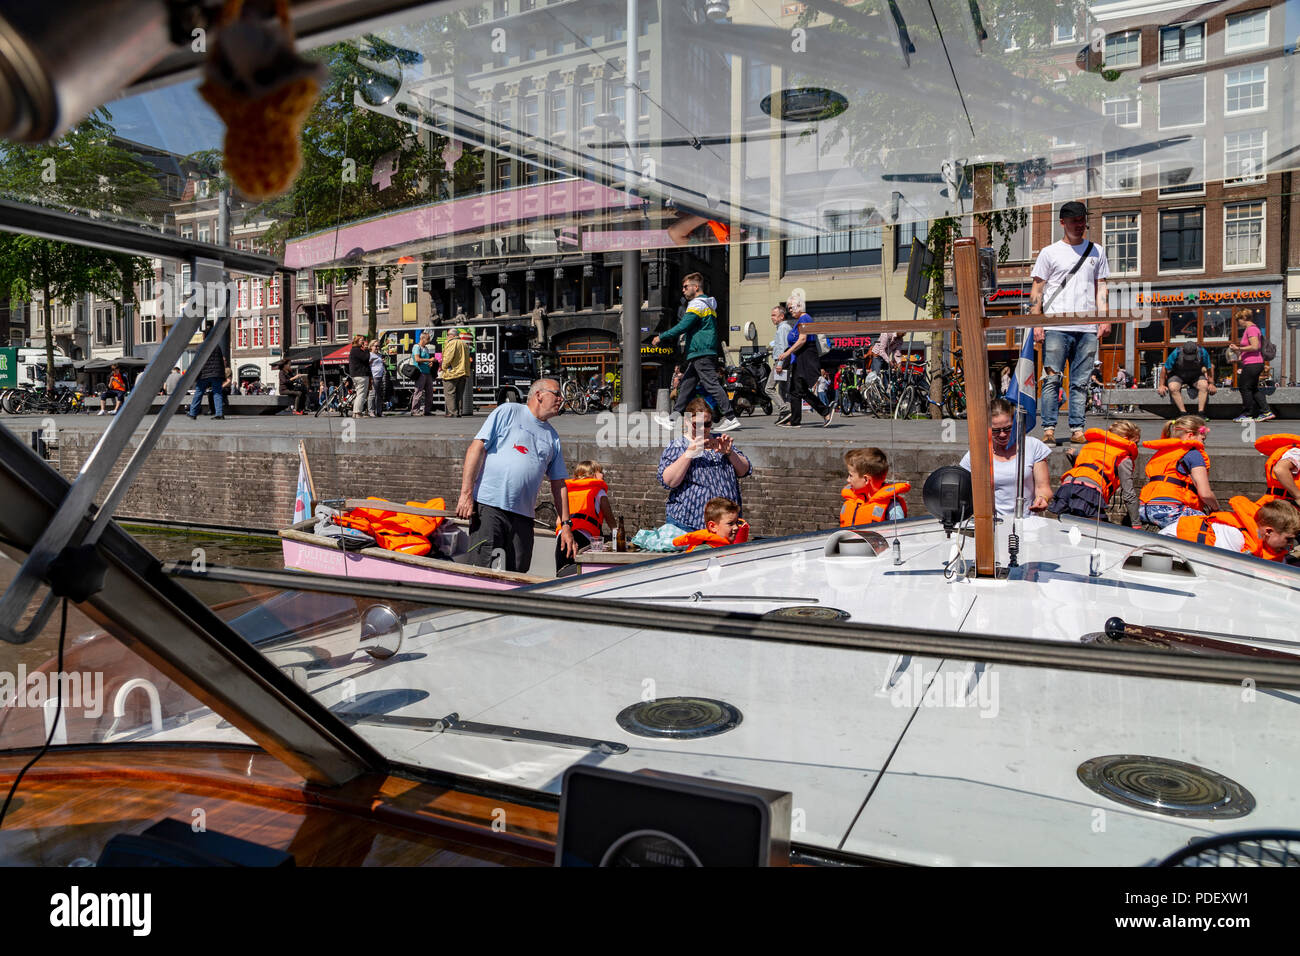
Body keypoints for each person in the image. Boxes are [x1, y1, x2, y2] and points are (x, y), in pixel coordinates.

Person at [455, 379, 576, 572]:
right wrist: (466, 494)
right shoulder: (509, 412)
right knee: (482, 567)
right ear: (539, 395)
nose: (561, 399)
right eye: (556, 394)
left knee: (518, 571)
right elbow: (476, 449)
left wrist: (566, 524)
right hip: (490, 507)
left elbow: (559, 484)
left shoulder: (552, 436)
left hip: (523, 515)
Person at [1030, 201, 1111, 445]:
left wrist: (1104, 318)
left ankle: (1077, 428)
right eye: (1075, 220)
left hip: (1086, 328)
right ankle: (1049, 428)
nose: (1080, 224)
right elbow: (1038, 287)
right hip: (1055, 327)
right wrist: (1037, 322)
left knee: (1081, 382)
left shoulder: (1097, 250)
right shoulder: (1049, 252)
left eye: (1082, 220)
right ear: (1062, 223)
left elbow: (1102, 285)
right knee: (1051, 379)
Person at [652, 273, 740, 432]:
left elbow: (683, 326)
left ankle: (731, 417)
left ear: (696, 287)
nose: (683, 291)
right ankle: (673, 418)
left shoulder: (696, 304)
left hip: (701, 351)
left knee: (711, 384)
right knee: (686, 385)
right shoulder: (708, 304)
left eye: (686, 287)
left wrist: (661, 337)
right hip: (701, 351)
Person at [657, 397, 752, 532]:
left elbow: (744, 470)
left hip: (725, 525)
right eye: (697, 424)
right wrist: (689, 453)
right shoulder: (678, 446)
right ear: (687, 421)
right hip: (689, 523)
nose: (703, 429)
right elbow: (668, 481)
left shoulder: (719, 440)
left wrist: (730, 453)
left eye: (707, 424)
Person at [959, 398, 1052, 515]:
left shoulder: (1033, 446)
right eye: (996, 430)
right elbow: (961, 490)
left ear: (1015, 423)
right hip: (993, 523)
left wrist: (1042, 498)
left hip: (1027, 520)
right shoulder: (977, 454)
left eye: (1008, 428)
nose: (1002, 434)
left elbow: (1043, 486)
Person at [1047, 421, 1141, 524]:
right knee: (1093, 531)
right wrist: (1136, 524)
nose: (1136, 447)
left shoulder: (1090, 446)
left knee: (1068, 527)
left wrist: (1074, 453)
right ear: (1126, 440)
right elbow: (1129, 494)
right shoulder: (1123, 458)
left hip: (1066, 486)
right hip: (1089, 491)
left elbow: (1079, 455)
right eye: (1135, 443)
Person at [1138, 415, 1219, 529]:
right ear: (1190, 435)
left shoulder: (1162, 453)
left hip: (1143, 509)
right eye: (1203, 439)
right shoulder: (1193, 454)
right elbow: (1205, 493)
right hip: (1170, 509)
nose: (1203, 443)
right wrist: (1216, 509)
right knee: (1215, 528)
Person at [1162, 497, 1299, 561]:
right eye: (1288, 539)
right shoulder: (1236, 536)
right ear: (1268, 531)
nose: (1291, 545)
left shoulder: (1258, 538)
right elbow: (1222, 569)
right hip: (1168, 545)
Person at [775, 287, 834, 428]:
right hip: (798, 359)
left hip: (805, 358)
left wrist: (786, 354)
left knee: (799, 390)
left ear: (799, 306)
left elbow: (802, 340)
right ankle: (797, 420)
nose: (790, 310)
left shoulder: (805, 318)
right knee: (795, 391)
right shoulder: (799, 321)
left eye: (791, 307)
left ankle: (825, 411)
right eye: (788, 308)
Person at [555, 459, 618, 573]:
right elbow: (610, 518)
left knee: (562, 573)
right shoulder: (598, 491)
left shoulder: (567, 491)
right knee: (583, 574)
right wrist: (617, 535)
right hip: (583, 538)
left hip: (562, 538)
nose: (603, 474)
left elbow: (558, 521)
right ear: (593, 474)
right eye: (601, 472)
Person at [839, 447, 909, 526]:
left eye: (850, 475)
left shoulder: (892, 508)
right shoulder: (852, 499)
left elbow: (899, 534)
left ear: (866, 479)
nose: (848, 480)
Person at [1231, 307, 1274, 422]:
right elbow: (1251, 349)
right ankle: (1266, 412)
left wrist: (1239, 348)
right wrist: (1238, 353)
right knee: (1253, 388)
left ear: (1244, 318)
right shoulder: (1252, 329)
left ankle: (1248, 414)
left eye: (1238, 320)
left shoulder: (1251, 329)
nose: (1238, 322)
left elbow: (1255, 347)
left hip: (1253, 364)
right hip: (1253, 363)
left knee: (1244, 388)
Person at [673, 497, 750, 552]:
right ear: (713, 526)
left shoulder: (726, 544)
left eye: (737, 522)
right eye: (730, 523)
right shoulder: (704, 550)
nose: (736, 527)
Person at [1157, 342, 1216, 414]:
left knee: (1204, 385)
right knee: (1173, 387)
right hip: (1178, 375)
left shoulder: (1202, 352)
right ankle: (1183, 412)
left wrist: (1211, 383)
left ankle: (1201, 412)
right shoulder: (1176, 352)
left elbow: (1209, 367)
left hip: (1196, 375)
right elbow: (1165, 368)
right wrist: (1161, 385)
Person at [187, 323, 229, 420]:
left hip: (204, 374)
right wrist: (221, 374)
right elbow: (220, 362)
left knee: (199, 392)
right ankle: (219, 413)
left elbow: (197, 362)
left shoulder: (200, 346)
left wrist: (195, 375)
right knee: (217, 392)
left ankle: (193, 413)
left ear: (204, 336)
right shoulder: (217, 346)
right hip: (216, 374)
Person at [765, 304, 793, 424]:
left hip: (781, 362)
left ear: (781, 316)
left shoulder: (782, 328)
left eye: (774, 315)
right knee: (783, 390)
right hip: (785, 361)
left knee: (769, 388)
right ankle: (788, 416)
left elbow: (783, 348)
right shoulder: (784, 327)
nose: (772, 318)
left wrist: (779, 364)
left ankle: (784, 410)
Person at [1256, 433, 1300, 504]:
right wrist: (1298, 496)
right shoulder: (1297, 452)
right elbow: (1280, 470)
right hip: (1285, 505)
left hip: (1276, 503)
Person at [441, 328, 471, 418]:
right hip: (463, 372)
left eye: (447, 335)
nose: (446, 337)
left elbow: (448, 357)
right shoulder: (464, 344)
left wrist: (443, 367)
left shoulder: (452, 343)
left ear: (452, 335)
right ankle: (458, 411)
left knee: (450, 393)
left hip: (453, 372)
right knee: (459, 393)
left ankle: (452, 412)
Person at [410, 328, 436, 416]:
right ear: (423, 339)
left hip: (427, 372)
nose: (429, 341)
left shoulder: (426, 348)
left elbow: (425, 361)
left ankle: (427, 410)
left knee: (429, 392)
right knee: (418, 392)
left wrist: (430, 363)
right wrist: (429, 359)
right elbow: (417, 359)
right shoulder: (416, 347)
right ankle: (415, 410)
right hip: (420, 372)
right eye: (428, 339)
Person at [348, 334, 371, 417]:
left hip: (355, 374)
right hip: (361, 374)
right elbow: (366, 358)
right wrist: (367, 350)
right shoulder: (357, 350)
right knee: (361, 394)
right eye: (362, 340)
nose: (363, 341)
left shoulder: (353, 350)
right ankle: (358, 412)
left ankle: (355, 412)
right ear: (357, 341)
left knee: (359, 394)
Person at [368, 339, 386, 416]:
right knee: (372, 394)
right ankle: (371, 411)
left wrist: (383, 362)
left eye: (378, 346)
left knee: (379, 394)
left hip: (380, 376)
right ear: (371, 346)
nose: (377, 347)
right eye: (375, 346)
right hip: (373, 376)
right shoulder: (369, 355)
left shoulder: (379, 355)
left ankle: (379, 411)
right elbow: (367, 366)